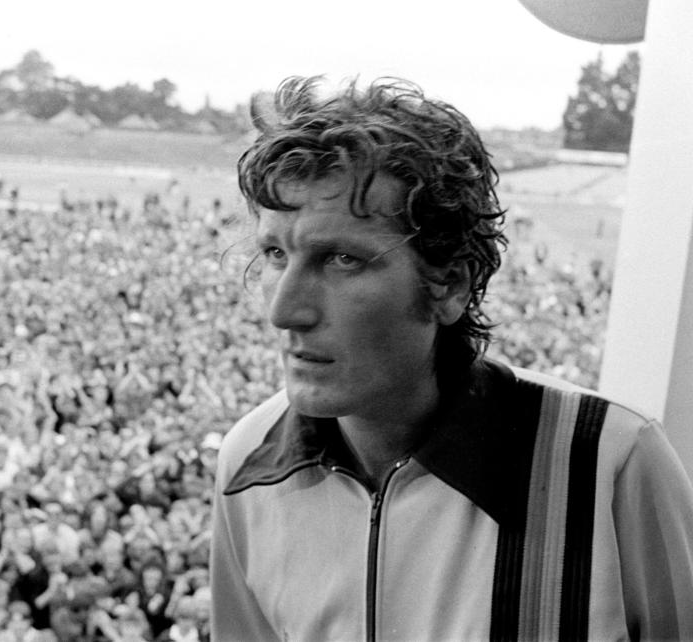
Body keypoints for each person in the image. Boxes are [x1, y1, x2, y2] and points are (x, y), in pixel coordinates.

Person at [210, 76, 693, 641]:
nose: (283, 310)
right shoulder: (249, 463)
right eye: (274, 253)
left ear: (449, 285)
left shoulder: (609, 462)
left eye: (341, 259)